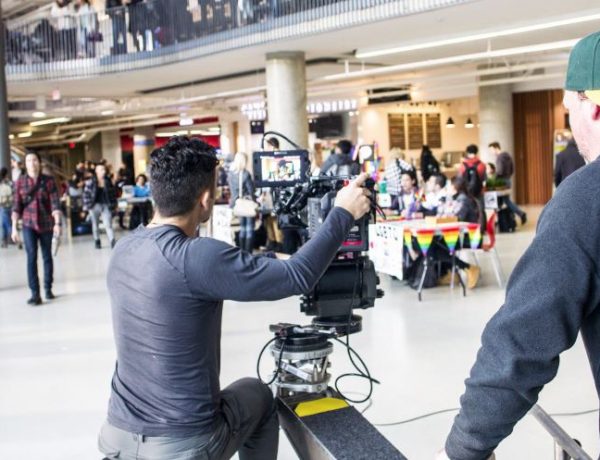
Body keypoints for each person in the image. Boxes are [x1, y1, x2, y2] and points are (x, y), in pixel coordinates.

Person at [97, 136, 371, 460]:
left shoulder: (124, 249)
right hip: (182, 444)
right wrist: (343, 213)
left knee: (248, 393)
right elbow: (299, 276)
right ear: (205, 199)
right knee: (260, 397)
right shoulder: (196, 257)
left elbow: (212, 271)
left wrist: (267, 259)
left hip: (117, 436)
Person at [437, 31, 600, 460]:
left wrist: (462, 448)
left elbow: (523, 341)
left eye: (569, 108)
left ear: (593, 106)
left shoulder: (586, 199)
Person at [11, 152, 62, 305]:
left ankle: (48, 288)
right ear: (25, 164)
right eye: (28, 160)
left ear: (39, 162)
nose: (32, 163)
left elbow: (55, 203)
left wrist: (58, 223)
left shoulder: (48, 181)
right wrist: (14, 228)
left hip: (46, 224)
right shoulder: (20, 182)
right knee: (31, 257)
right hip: (28, 224)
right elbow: (16, 206)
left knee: (47, 256)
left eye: (34, 160)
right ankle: (35, 293)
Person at [488, 141, 527, 225]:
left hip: (501, 183)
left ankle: (518, 214)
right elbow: (512, 169)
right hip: (507, 180)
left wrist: (493, 178)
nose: (491, 152)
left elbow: (500, 171)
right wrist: (507, 176)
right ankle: (504, 219)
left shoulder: (500, 157)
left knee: (499, 201)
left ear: (496, 148)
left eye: (491, 150)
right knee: (504, 201)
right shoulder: (507, 156)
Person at [83, 163, 117, 249]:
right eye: (101, 169)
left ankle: (112, 241)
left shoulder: (108, 181)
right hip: (94, 206)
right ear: (96, 171)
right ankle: (97, 240)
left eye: (104, 169)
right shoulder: (90, 182)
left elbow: (113, 194)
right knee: (95, 224)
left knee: (108, 224)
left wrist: (114, 204)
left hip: (106, 205)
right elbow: (86, 194)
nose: (103, 171)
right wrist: (88, 206)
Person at [228, 152, 256, 252]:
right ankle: (248, 253)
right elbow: (251, 191)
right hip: (246, 204)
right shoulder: (245, 174)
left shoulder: (231, 174)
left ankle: (242, 252)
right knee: (249, 229)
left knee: (242, 228)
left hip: (236, 204)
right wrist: (255, 200)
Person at [457, 144, 486, 233]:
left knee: (467, 209)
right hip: (478, 191)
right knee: (481, 210)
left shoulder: (463, 165)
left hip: (466, 192)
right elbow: (484, 179)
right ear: (476, 152)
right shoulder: (481, 165)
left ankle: (469, 229)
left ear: (467, 152)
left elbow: (460, 179)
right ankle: (481, 229)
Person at [0, 167, 13, 248]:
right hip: (9, 205)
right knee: (6, 224)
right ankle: (7, 240)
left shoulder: (2, 183)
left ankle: (6, 240)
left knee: (5, 224)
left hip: (3, 205)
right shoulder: (8, 182)